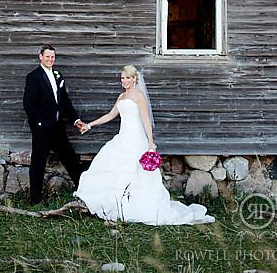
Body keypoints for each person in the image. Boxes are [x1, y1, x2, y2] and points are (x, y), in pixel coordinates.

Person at [74, 65, 215, 225]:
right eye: (122, 78)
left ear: (134, 79)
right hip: (123, 138)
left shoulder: (138, 95)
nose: (125, 81)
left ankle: (137, 206)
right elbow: (110, 115)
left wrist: (150, 141)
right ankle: (116, 204)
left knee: (137, 173)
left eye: (128, 78)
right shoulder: (121, 97)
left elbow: (146, 119)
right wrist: (90, 125)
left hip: (136, 139)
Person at [22, 45, 87, 204]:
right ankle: (35, 199)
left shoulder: (58, 75)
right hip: (42, 127)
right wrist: (40, 122)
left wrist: (75, 120)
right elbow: (28, 104)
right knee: (38, 161)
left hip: (58, 126)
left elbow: (65, 101)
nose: (50, 59)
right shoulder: (33, 76)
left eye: (52, 57)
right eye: (47, 57)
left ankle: (84, 190)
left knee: (70, 157)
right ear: (40, 57)